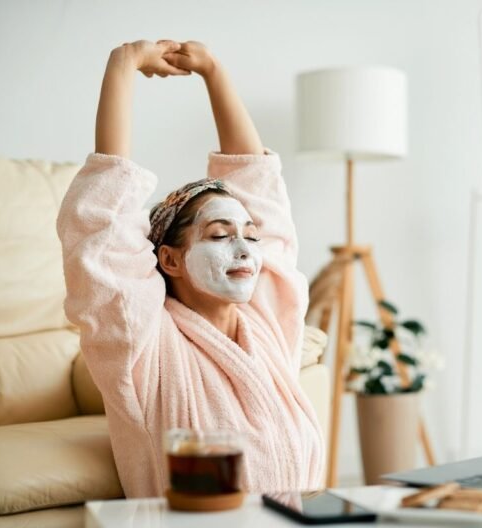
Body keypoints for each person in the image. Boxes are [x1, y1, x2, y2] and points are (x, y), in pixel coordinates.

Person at [56, 39, 325, 497]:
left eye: (250, 235)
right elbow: (103, 231)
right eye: (219, 235)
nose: (244, 248)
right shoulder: (142, 343)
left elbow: (258, 186)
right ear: (171, 260)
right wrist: (122, 67)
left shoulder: (267, 325)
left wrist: (215, 72)